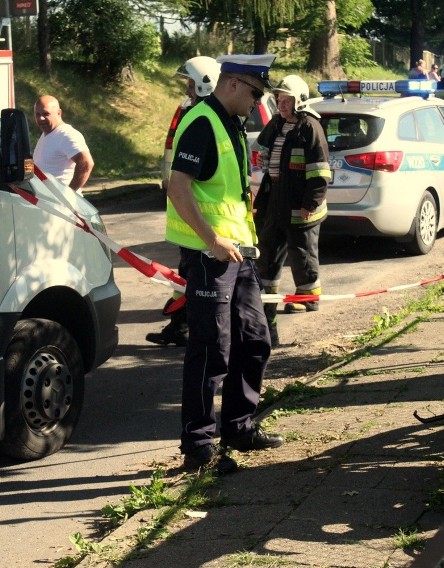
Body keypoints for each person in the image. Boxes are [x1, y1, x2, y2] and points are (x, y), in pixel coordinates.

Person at [166, 53, 284, 473]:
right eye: (255, 93)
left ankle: (239, 426)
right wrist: (211, 239)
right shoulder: (202, 122)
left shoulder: (230, 122)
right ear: (233, 83)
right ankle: (198, 445)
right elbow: (177, 187)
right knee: (211, 349)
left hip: (238, 253)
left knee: (255, 339)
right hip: (209, 256)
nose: (258, 102)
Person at [147, 56, 221, 348]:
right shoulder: (195, 114)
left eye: (191, 84)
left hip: (204, 226)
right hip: (192, 225)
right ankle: (180, 327)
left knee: (197, 282)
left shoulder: (204, 120)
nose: (187, 90)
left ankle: (190, 331)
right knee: (185, 277)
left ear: (204, 85)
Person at [252, 75, 330, 347]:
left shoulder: (310, 127)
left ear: (299, 101)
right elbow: (259, 148)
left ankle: (306, 298)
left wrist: (311, 203)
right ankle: (267, 304)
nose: (281, 105)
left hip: (300, 205)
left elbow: (320, 171)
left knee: (302, 253)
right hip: (275, 201)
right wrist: (262, 156)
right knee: (268, 253)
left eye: (286, 100)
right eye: (278, 100)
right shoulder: (276, 123)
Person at [32, 95, 94, 193]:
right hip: (46, 202)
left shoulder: (67, 135)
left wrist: (69, 193)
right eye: (37, 114)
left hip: (61, 205)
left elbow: (86, 163)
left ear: (59, 113)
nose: (41, 118)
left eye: (46, 114)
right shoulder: (47, 134)